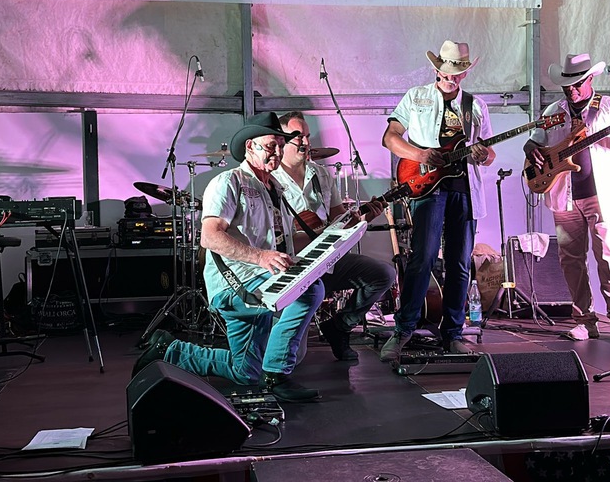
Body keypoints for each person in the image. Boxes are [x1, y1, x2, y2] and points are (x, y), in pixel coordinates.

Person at [134, 112, 323, 402]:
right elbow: (210, 237)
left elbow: (281, 243)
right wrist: (260, 257)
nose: (277, 152)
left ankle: (168, 350)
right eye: (270, 145)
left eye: (280, 145)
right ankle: (277, 375)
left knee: (245, 371)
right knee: (308, 289)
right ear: (250, 146)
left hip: (260, 280)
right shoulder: (228, 182)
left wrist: (330, 236)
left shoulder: (276, 189)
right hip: (235, 285)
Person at [523, 53, 610, 346]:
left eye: (577, 84)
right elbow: (534, 142)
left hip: (602, 195)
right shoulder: (553, 111)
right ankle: (583, 320)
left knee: (609, 256)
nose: (571, 90)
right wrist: (532, 149)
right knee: (570, 261)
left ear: (590, 79)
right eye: (566, 85)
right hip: (564, 195)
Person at [379, 40, 495, 361]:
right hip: (427, 187)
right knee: (424, 257)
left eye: (457, 73)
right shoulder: (416, 96)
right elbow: (390, 138)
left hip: (465, 189)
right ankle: (404, 330)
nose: (451, 78)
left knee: (459, 263)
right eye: (446, 72)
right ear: (436, 69)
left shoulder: (475, 105)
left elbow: (488, 153)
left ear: (465, 73)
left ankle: (453, 333)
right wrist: (420, 155)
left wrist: (483, 155)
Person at [273, 111, 396, 361]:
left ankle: (340, 326)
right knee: (292, 358)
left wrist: (364, 218)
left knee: (383, 274)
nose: (306, 142)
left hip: (325, 263)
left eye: (307, 136)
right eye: (298, 136)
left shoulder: (321, 174)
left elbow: (340, 219)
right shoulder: (270, 178)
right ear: (280, 140)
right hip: (289, 271)